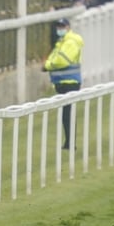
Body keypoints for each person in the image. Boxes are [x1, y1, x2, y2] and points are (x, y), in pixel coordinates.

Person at [43, 18, 84, 149]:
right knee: (66, 113)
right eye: (58, 27)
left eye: (62, 26)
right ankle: (69, 142)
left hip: (69, 81)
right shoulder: (62, 42)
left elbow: (62, 60)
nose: (59, 29)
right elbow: (54, 57)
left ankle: (70, 143)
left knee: (68, 114)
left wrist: (47, 66)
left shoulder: (70, 42)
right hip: (63, 82)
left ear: (68, 27)